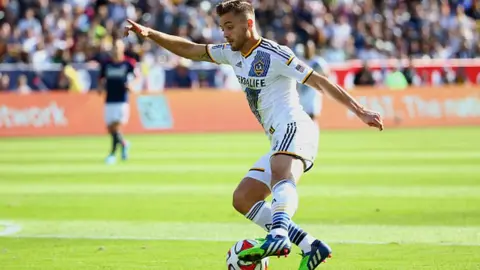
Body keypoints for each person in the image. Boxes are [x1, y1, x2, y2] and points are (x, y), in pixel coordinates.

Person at [124, 0, 383, 268]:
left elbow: (319, 81)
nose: (225, 33)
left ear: (248, 24)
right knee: (244, 198)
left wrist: (360, 110)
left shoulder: (275, 54)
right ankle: (311, 246)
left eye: (229, 27)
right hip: (279, 138)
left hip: (295, 127)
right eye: (222, 27)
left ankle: (279, 234)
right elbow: (191, 50)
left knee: (281, 171)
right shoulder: (231, 53)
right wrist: (151, 34)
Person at [99, 39, 137, 164]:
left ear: (122, 49)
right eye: (114, 47)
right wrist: (100, 87)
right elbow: (101, 78)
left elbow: (137, 77)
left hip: (121, 99)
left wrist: (132, 85)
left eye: (118, 47)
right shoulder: (107, 64)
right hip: (109, 98)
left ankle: (112, 154)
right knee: (110, 129)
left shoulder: (128, 63)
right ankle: (124, 144)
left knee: (116, 126)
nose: (115, 50)